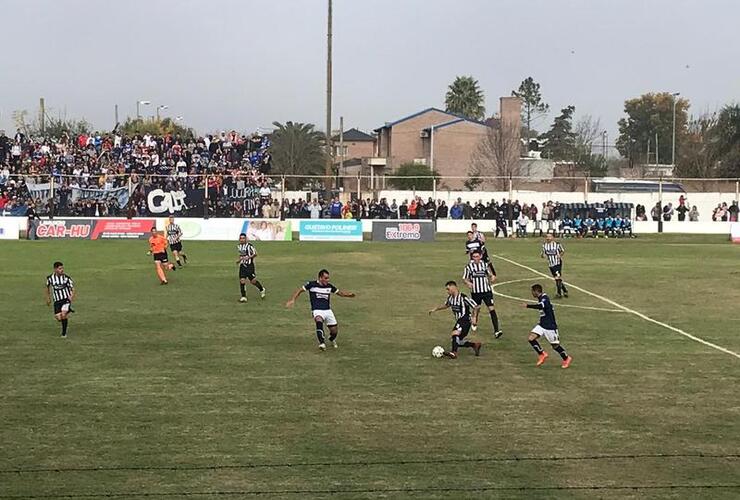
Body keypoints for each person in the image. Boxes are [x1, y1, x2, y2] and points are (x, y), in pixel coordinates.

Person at [285, 269, 356, 350]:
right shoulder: (311, 285)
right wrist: (293, 300)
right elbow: (300, 290)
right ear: (320, 278)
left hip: (328, 310)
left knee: (334, 331)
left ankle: (331, 339)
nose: (327, 280)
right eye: (325, 278)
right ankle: (322, 343)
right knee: (319, 321)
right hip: (317, 310)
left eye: (328, 278)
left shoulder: (329, 286)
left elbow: (340, 293)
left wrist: (349, 295)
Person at [428, 280, 482, 359]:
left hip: (465, 319)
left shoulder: (463, 298)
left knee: (455, 333)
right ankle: (475, 345)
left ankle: (454, 353)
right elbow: (446, 305)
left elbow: (476, 307)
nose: (447, 291)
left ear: (454, 288)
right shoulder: (450, 298)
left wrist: (474, 318)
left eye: (448, 289)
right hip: (460, 320)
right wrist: (435, 309)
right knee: (456, 341)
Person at [522, 284, 572, 368]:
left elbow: (541, 306)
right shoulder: (541, 298)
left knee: (555, 346)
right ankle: (542, 354)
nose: (532, 294)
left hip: (550, 326)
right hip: (542, 325)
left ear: (536, 291)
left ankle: (566, 358)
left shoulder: (545, 298)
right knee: (531, 338)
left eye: (532, 292)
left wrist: (528, 306)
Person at [463, 250, 502, 338]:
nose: (476, 259)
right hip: (476, 292)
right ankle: (474, 320)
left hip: (486, 291)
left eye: (477, 256)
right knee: (477, 308)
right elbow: (465, 278)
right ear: (472, 257)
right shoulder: (469, 267)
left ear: (480, 256)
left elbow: (489, 274)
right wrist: (468, 283)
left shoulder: (484, 265)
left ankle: (497, 330)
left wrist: (492, 277)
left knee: (491, 309)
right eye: (474, 257)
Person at [45, 261, 76, 338]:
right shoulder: (50, 278)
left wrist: (71, 296)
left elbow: (72, 288)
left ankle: (64, 333)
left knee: (63, 314)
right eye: (60, 268)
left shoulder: (66, 278)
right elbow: (47, 287)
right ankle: (68, 310)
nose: (62, 270)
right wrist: (48, 298)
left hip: (66, 299)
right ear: (55, 269)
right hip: (57, 301)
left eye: (62, 268)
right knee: (59, 318)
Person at [237, 233, 266, 302]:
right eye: (241, 238)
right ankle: (243, 296)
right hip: (242, 266)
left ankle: (262, 289)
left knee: (253, 281)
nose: (242, 240)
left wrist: (248, 257)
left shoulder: (249, 246)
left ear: (246, 239)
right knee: (242, 280)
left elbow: (255, 254)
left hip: (250, 266)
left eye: (243, 238)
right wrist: (239, 260)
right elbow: (241, 255)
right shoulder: (239, 246)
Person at [541, 233, 568, 298]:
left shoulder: (557, 244)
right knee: (557, 279)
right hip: (551, 264)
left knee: (557, 278)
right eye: (547, 237)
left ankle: (559, 294)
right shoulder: (544, 245)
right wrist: (542, 255)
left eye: (549, 237)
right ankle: (565, 290)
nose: (548, 238)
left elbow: (562, 251)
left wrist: (560, 255)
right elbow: (543, 254)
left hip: (557, 263)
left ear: (552, 237)